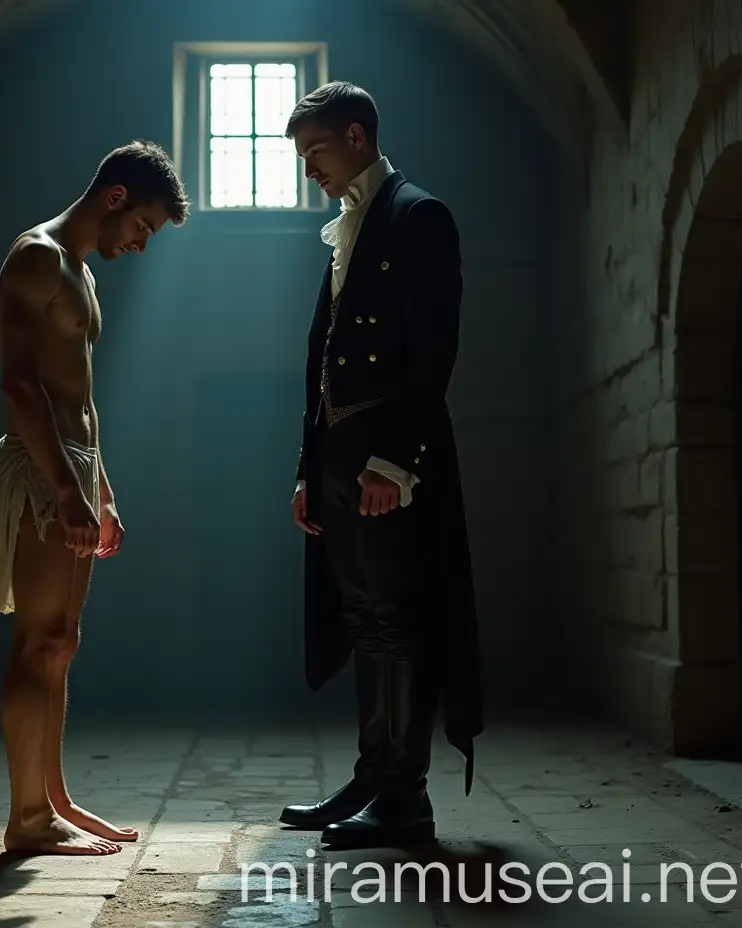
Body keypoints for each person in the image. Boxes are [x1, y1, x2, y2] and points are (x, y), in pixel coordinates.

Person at [278, 82, 483, 849]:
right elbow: (322, 361)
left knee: (398, 621)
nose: (310, 171)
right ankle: (375, 776)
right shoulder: (350, 226)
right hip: (338, 454)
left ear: (357, 136)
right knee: (367, 620)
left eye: (316, 152)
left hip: (387, 458)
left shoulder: (416, 215)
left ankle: (405, 800)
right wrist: (308, 467)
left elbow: (432, 350)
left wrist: (394, 460)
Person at [0, 140, 189, 855]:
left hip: (75, 469)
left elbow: (81, 399)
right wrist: (66, 489)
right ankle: (26, 820)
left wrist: (103, 489)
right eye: (145, 228)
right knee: (35, 641)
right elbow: (19, 386)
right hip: (42, 473)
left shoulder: (81, 273)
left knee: (62, 645)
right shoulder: (36, 257)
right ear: (117, 198)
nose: (142, 245)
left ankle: (55, 800)